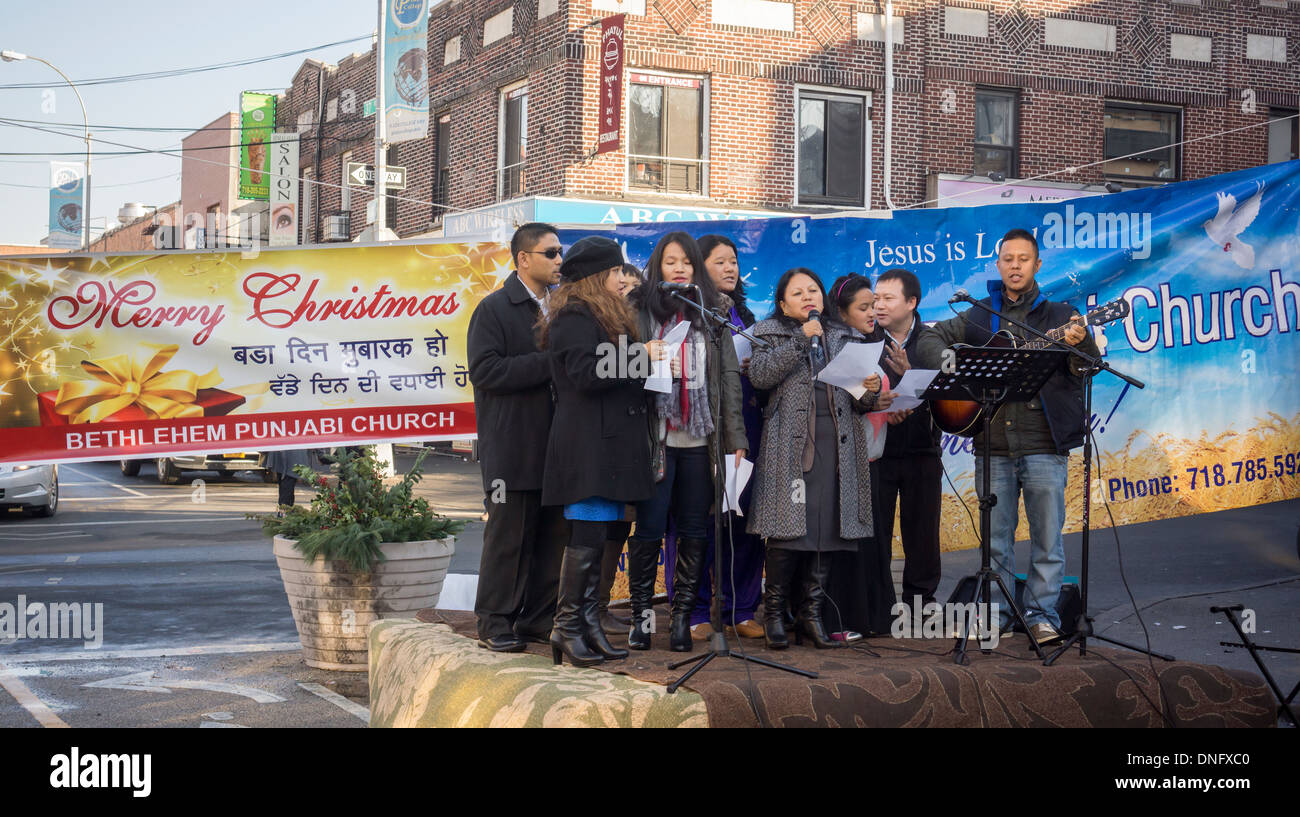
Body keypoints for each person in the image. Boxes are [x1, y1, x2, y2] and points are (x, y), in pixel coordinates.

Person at [917, 228, 1099, 645]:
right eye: (1008, 259)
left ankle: (1041, 615)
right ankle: (996, 617)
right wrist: (953, 366)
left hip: (1043, 443)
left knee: (1047, 541)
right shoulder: (979, 314)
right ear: (999, 265)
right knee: (995, 541)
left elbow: (1087, 367)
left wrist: (1081, 341)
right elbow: (930, 337)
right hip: (991, 444)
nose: (1015, 266)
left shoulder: (1061, 316)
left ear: (1037, 265)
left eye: (1024, 259)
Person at [538, 237, 664, 666]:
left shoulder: (604, 314)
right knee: (586, 537)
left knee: (608, 535)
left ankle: (588, 621)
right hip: (588, 445)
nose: (622, 279)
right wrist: (640, 357)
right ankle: (567, 627)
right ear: (596, 276)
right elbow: (584, 372)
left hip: (611, 444)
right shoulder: (573, 315)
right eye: (615, 272)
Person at [626, 231, 747, 652]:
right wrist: (644, 353)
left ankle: (680, 619)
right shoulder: (638, 309)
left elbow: (729, 378)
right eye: (671, 262)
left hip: (700, 439)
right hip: (654, 437)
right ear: (658, 265)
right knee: (650, 530)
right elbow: (617, 367)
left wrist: (736, 439)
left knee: (696, 530)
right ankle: (642, 619)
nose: (679, 269)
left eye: (687, 263)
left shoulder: (713, 312)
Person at [748, 268, 880, 649]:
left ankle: (812, 615)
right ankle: (774, 614)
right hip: (789, 448)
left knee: (827, 530)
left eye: (814, 291)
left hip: (838, 446)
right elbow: (760, 376)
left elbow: (862, 402)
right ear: (782, 303)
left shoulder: (845, 336)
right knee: (788, 530)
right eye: (798, 292)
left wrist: (869, 390)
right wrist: (799, 342)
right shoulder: (766, 333)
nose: (809, 297)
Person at [466, 222, 568, 653]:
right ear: (523, 258)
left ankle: (536, 620)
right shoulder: (494, 309)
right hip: (511, 447)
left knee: (551, 538)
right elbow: (485, 371)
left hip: (557, 446)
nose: (560, 259)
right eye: (551, 253)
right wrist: (550, 363)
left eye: (560, 252)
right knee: (509, 538)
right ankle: (494, 622)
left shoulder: (561, 308)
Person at [674, 234, 765, 640]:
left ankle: (740, 608)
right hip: (700, 433)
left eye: (734, 261)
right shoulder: (685, 314)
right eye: (720, 262)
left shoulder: (744, 314)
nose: (731, 269)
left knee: (743, 521)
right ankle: (692, 610)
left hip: (746, 429)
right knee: (696, 523)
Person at [823, 274, 898, 637]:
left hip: (872, 458)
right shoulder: (839, 346)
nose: (873, 313)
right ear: (840, 311)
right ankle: (847, 619)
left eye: (875, 306)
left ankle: (874, 617)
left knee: (873, 543)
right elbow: (844, 403)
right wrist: (871, 399)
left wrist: (887, 403)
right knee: (848, 545)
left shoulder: (870, 344)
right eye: (864, 307)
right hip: (848, 461)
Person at [872, 268, 943, 609]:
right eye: (875, 299)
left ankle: (920, 605)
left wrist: (908, 374)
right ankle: (880, 605)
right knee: (877, 534)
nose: (879, 306)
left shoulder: (932, 342)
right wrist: (882, 409)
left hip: (922, 450)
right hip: (879, 451)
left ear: (912, 302)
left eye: (888, 298)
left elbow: (950, 392)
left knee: (922, 534)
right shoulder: (867, 339)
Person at [595, 262, 645, 635]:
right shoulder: (596, 322)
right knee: (593, 527)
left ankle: (601, 604)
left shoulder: (637, 323)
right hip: (600, 441)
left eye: (632, 284)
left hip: (634, 439)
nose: (624, 289)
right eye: (619, 283)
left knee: (619, 527)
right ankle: (585, 609)